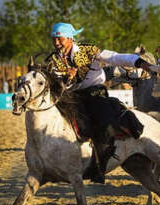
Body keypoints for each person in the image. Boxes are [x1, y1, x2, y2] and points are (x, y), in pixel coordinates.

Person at [47, 22, 151, 183]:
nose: (56, 43)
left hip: (94, 93)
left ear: (69, 38)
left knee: (106, 125)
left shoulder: (89, 50)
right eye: (54, 39)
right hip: (71, 97)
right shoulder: (53, 59)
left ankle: (99, 166)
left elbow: (114, 57)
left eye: (59, 39)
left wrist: (138, 62)